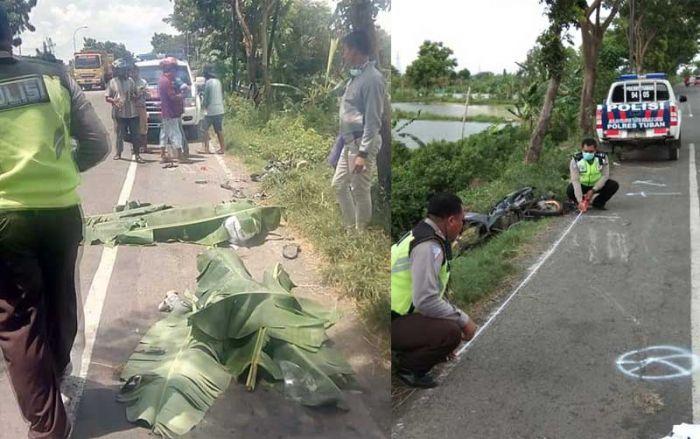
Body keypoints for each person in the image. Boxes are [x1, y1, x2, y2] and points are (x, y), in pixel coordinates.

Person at [0, 6, 110, 438]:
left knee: (18, 321)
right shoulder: (54, 74)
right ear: (12, 34)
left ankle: (48, 426)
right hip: (62, 212)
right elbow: (98, 142)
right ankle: (57, 373)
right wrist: (61, 171)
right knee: (61, 297)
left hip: (5, 218)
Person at [391, 192, 478, 388]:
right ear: (451, 220)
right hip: (391, 319)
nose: (462, 226)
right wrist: (464, 320)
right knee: (450, 332)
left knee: (442, 325)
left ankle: (409, 347)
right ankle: (408, 368)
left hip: (396, 314)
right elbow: (426, 301)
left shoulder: (421, 234)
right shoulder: (429, 247)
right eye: (462, 221)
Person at [332, 30, 385, 230]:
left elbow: (373, 121)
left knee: (360, 190)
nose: (344, 55)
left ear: (355, 51)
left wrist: (362, 153)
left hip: (361, 143)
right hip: (349, 142)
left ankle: (360, 234)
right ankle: (350, 228)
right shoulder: (357, 76)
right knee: (339, 184)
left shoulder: (373, 79)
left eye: (345, 50)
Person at [105, 58, 143, 162]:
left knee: (136, 135)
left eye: (125, 70)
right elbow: (107, 97)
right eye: (121, 70)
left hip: (132, 113)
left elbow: (135, 94)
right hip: (119, 114)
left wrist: (138, 95)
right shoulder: (112, 82)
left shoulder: (131, 81)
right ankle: (118, 153)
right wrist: (114, 101)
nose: (124, 72)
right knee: (120, 135)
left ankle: (137, 154)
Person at [567, 138, 619, 212]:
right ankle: (581, 204)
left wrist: (593, 190)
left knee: (613, 185)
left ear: (595, 150)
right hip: (583, 185)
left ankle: (598, 203)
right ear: (582, 149)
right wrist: (580, 200)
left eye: (591, 151)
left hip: (597, 184)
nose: (588, 153)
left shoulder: (602, 158)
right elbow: (575, 180)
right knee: (570, 190)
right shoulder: (576, 160)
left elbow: (605, 176)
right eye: (585, 151)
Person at [158, 57, 188, 166]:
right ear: (170, 69)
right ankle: (180, 156)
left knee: (164, 133)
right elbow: (172, 97)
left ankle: (162, 155)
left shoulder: (162, 80)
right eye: (174, 69)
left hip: (165, 112)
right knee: (176, 133)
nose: (175, 72)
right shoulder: (168, 81)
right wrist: (182, 96)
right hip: (171, 112)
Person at [198, 64, 226, 155]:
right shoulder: (218, 81)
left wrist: (203, 107)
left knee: (204, 129)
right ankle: (222, 148)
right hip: (220, 109)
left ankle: (206, 149)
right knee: (219, 130)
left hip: (211, 110)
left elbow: (207, 98)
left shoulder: (208, 83)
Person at [129, 65, 149, 154]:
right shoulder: (129, 82)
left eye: (135, 72)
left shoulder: (143, 82)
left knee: (143, 128)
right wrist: (137, 94)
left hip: (141, 107)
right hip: (131, 109)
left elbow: (149, 94)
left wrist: (144, 92)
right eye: (132, 72)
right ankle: (135, 148)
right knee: (133, 129)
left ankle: (144, 147)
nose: (133, 74)